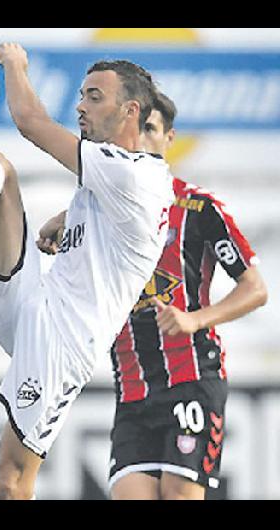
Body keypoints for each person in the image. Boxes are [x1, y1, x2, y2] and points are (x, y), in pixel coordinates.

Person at [0, 42, 175, 500]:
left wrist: (16, 64)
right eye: (82, 95)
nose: (80, 105)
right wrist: (63, 220)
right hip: (35, 300)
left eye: (95, 97)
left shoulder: (132, 174)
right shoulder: (111, 175)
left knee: (12, 482)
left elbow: (31, 122)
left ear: (130, 110)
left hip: (62, 341)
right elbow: (103, 213)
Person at [105, 92, 268, 500]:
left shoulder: (198, 209)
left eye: (150, 128)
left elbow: (255, 288)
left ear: (168, 138)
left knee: (179, 493)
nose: (139, 139)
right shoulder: (99, 209)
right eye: (132, 129)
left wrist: (194, 319)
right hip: (132, 387)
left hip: (190, 378)